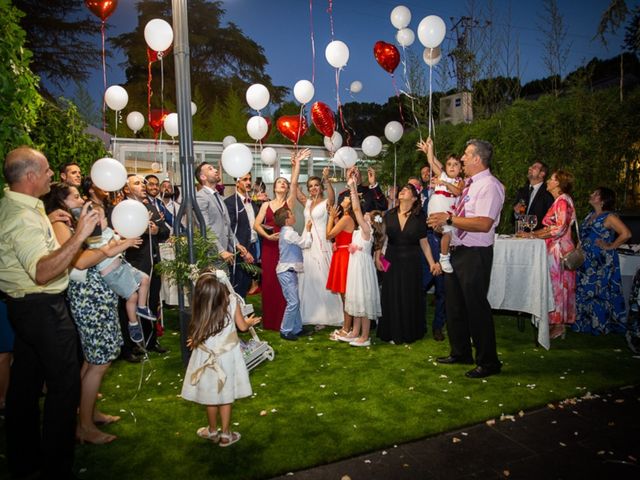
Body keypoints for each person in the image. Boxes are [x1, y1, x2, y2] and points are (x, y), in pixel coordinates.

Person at [0, 147, 100, 477]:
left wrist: (49, 219)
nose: (50, 177)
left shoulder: (19, 205)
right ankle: (56, 466)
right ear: (29, 177)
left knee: (25, 386)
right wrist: (80, 236)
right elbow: (42, 271)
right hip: (43, 310)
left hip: (25, 310)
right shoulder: (23, 217)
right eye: (45, 171)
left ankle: (24, 459)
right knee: (63, 387)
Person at [42, 183, 125, 445]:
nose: (81, 199)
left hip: (99, 295)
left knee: (93, 361)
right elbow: (78, 262)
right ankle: (85, 427)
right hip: (89, 298)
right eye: (76, 196)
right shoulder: (62, 225)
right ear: (62, 201)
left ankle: (87, 413)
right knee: (98, 362)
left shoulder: (76, 222)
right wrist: (108, 249)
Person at [428, 139, 505, 378]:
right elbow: (460, 217)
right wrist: (444, 225)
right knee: (455, 306)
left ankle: (488, 362)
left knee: (476, 308)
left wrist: (448, 219)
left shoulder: (490, 186)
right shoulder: (469, 186)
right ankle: (460, 352)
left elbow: (483, 223)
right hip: (458, 250)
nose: (462, 158)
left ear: (477, 159)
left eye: (466, 154)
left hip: (476, 254)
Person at [181, 270, 261, 447]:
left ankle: (212, 430)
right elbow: (242, 326)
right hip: (228, 356)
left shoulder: (200, 305)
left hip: (205, 357)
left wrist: (195, 340)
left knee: (210, 394)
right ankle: (225, 434)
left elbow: (197, 331)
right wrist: (250, 322)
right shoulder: (231, 301)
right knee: (225, 395)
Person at [378, 184, 440, 344]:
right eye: (402, 189)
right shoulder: (389, 215)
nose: (402, 191)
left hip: (412, 261)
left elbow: (424, 243)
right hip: (391, 259)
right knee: (390, 293)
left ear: (413, 198)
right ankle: (390, 331)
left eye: (407, 190)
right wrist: (378, 256)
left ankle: (409, 331)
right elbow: (381, 238)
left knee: (409, 295)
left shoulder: (420, 217)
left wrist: (432, 263)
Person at [253, 150, 307, 330]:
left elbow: (294, 183)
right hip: (269, 247)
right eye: (279, 182)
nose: (283, 184)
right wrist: (267, 236)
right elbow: (256, 224)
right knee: (269, 283)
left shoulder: (289, 203)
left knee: (287, 284)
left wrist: (297, 164)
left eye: (284, 182)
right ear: (274, 187)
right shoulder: (266, 204)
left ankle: (286, 322)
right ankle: (270, 320)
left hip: (285, 248)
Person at [290, 150, 344, 327]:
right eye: (310, 186)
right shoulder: (306, 202)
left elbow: (332, 196)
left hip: (322, 241)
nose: (313, 188)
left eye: (316, 185)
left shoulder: (325, 202)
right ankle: (310, 313)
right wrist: (295, 166)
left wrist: (327, 179)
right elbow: (294, 186)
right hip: (307, 242)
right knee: (308, 277)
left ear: (320, 187)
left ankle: (328, 314)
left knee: (323, 276)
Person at [90, 205, 156, 342]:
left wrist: (140, 224)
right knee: (132, 296)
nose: (101, 221)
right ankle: (133, 324)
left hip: (123, 267)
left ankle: (142, 307)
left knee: (145, 279)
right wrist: (127, 243)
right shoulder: (94, 238)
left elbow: (121, 239)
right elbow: (108, 252)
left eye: (102, 217)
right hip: (112, 274)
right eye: (96, 219)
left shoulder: (108, 231)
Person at [525, 170, 577, 340]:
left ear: (559, 183)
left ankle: (558, 325)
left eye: (552, 179)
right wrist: (536, 233)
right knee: (559, 286)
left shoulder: (562, 201)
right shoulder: (561, 201)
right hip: (558, 247)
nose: (548, 181)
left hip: (559, 250)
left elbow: (559, 228)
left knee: (557, 287)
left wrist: (533, 235)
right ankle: (557, 323)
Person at [574, 187, 631, 335]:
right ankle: (584, 324)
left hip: (601, 261)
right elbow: (584, 236)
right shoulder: (590, 215)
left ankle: (600, 325)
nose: (591, 195)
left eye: (596, 194)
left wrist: (611, 246)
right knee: (584, 291)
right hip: (586, 261)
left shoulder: (609, 217)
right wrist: (578, 249)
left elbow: (626, 234)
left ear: (603, 200)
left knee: (599, 292)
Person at [123, 174, 171, 353]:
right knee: (132, 302)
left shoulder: (150, 207)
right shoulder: (121, 209)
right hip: (134, 262)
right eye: (137, 183)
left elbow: (166, 232)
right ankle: (133, 345)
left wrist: (157, 229)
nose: (143, 186)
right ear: (127, 189)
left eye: (142, 183)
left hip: (154, 262)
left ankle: (151, 341)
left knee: (152, 302)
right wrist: (142, 229)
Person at [341, 179, 383, 347]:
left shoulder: (367, 231)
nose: (365, 214)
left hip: (362, 270)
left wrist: (352, 188)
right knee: (356, 300)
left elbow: (356, 209)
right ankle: (355, 332)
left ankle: (365, 336)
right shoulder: (361, 230)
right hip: (355, 268)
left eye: (369, 216)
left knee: (363, 301)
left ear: (372, 223)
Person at [195, 163, 254, 274]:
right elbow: (205, 228)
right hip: (212, 254)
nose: (216, 170)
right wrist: (221, 251)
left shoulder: (218, 197)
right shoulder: (200, 197)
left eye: (214, 167)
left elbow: (226, 225)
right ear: (203, 177)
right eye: (210, 169)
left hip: (224, 252)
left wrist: (236, 244)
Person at [417, 138, 463, 273]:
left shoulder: (459, 181)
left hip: (448, 210)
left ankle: (443, 257)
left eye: (456, 164)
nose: (452, 167)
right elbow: (431, 161)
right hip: (437, 207)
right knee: (444, 231)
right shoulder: (442, 175)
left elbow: (457, 192)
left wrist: (446, 183)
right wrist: (430, 148)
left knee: (447, 234)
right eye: (449, 164)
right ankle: (443, 257)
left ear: (460, 169)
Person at [410, 174, 446, 342]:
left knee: (442, 292)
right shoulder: (418, 201)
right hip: (425, 252)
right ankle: (419, 323)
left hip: (444, 247)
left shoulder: (450, 196)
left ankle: (438, 326)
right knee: (419, 289)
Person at [273, 206, 312, 340]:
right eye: (291, 214)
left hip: (289, 271)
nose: (294, 215)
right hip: (286, 271)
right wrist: (308, 229)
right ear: (287, 220)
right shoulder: (289, 233)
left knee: (294, 301)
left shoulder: (287, 232)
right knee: (293, 302)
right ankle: (285, 330)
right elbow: (305, 243)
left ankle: (297, 328)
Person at [326, 190, 357, 341]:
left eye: (346, 198)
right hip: (341, 254)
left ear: (350, 204)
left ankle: (347, 328)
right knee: (344, 295)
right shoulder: (344, 218)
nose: (343, 199)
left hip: (344, 257)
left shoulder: (346, 218)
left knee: (346, 296)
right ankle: (347, 326)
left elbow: (328, 234)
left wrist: (331, 217)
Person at [225, 172, 259, 299]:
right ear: (237, 182)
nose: (249, 182)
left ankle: (242, 313)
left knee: (246, 282)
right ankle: (236, 315)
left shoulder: (253, 202)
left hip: (253, 246)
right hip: (239, 249)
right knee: (237, 283)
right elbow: (230, 229)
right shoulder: (230, 202)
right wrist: (242, 251)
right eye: (245, 179)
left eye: (250, 179)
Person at [512, 161, 554, 231]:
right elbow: (513, 219)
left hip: (539, 237)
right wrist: (516, 213)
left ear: (542, 174)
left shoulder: (548, 193)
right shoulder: (522, 191)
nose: (529, 168)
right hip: (521, 235)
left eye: (534, 167)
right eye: (531, 166)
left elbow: (550, 219)